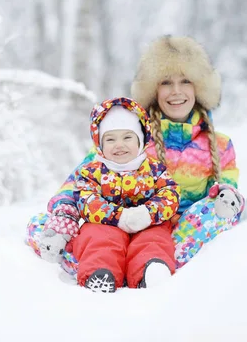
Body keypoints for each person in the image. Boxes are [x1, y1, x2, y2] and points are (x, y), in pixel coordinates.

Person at [26, 35, 244, 277]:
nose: (176, 91)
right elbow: (78, 183)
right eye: (166, 82)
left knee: (223, 206)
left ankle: (151, 266)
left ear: (200, 86)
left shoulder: (220, 145)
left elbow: (228, 193)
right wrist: (63, 222)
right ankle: (110, 266)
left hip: (174, 236)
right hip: (112, 229)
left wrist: (223, 199)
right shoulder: (128, 137)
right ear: (152, 89)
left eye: (185, 81)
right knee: (43, 225)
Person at [37, 97, 180, 293]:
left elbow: (169, 193)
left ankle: (150, 270)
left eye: (127, 137)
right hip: (106, 223)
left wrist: (148, 212)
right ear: (100, 145)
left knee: (154, 240)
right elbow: (86, 199)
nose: (119, 145)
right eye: (110, 139)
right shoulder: (92, 171)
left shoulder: (155, 169)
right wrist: (117, 217)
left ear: (141, 140)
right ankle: (101, 273)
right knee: (98, 239)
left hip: (147, 222)